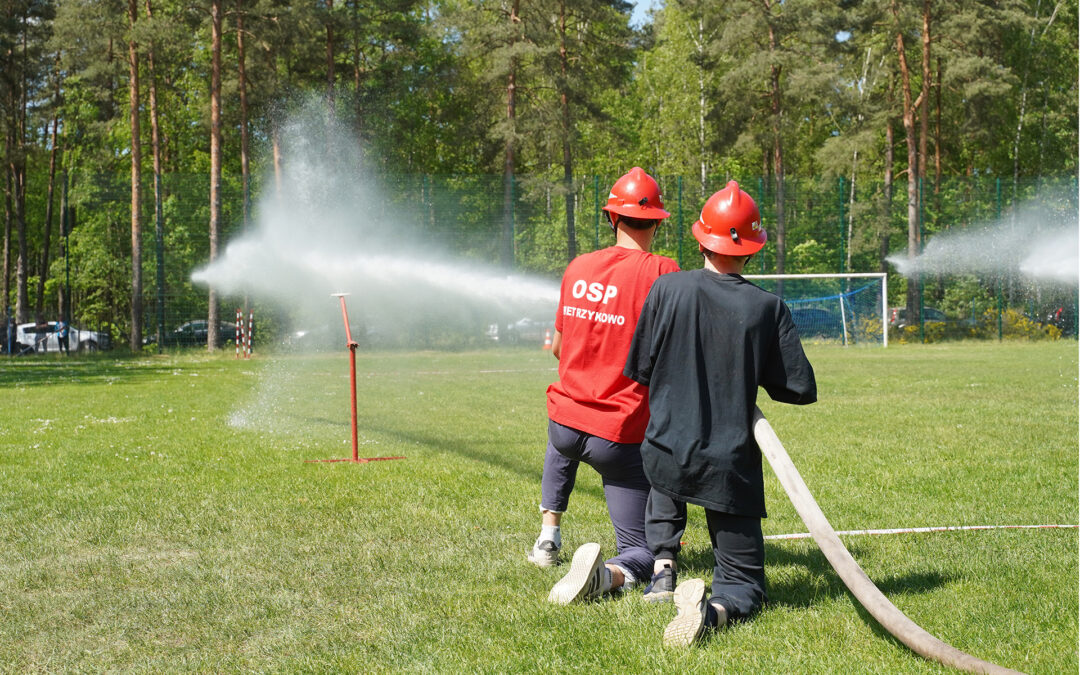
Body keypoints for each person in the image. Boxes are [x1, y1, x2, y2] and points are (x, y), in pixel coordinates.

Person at [623, 181, 817, 645]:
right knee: (745, 581)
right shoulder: (767, 308)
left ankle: (664, 572)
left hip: (666, 449)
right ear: (752, 248)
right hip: (728, 464)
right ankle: (716, 610)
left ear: (701, 238)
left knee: (665, 474)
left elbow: (641, 369)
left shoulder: (666, 288)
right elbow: (798, 388)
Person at [533, 167, 680, 605]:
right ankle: (611, 575)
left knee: (562, 441)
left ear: (611, 218)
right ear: (657, 221)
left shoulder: (578, 266)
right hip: (618, 434)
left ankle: (547, 539)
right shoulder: (662, 270)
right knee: (641, 549)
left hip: (565, 421)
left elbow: (558, 348)